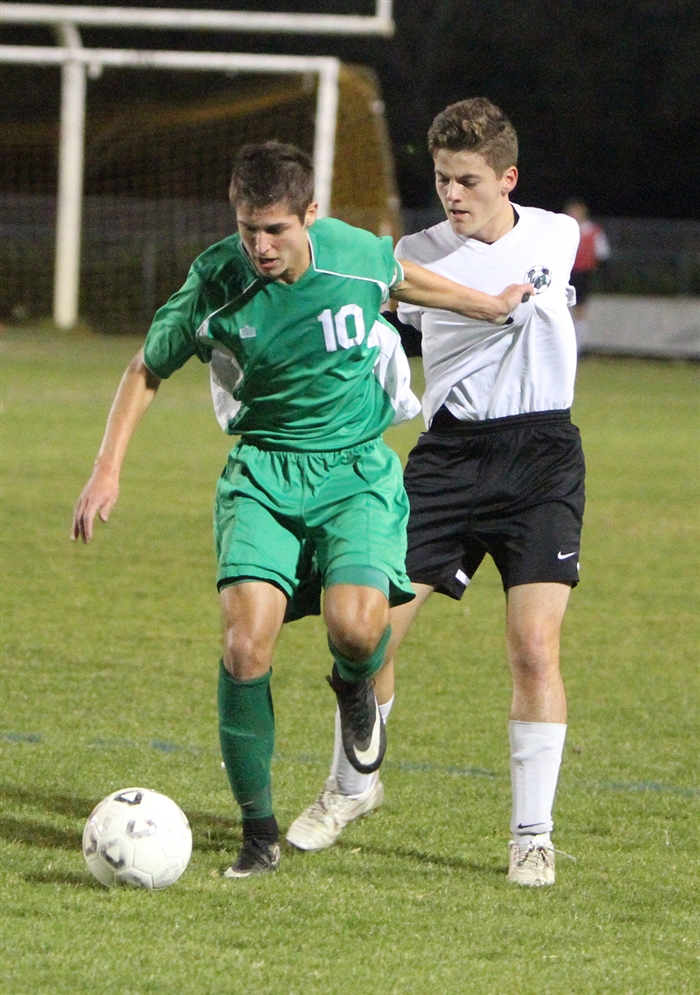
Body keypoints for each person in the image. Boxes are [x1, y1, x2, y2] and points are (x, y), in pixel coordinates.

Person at [71, 141, 531, 879]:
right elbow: (145, 366)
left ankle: (356, 688)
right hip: (262, 473)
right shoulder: (217, 279)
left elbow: (404, 278)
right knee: (245, 645)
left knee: (358, 627)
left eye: (276, 229)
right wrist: (106, 470)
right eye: (249, 227)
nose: (260, 245)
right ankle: (259, 832)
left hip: (354, 471)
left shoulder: (351, 254)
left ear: (310, 216)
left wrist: (490, 304)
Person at [287, 100, 585, 888]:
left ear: (508, 178)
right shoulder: (410, 256)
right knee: (369, 632)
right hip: (447, 458)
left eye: (469, 181)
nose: (453, 194)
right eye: (444, 180)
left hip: (542, 457)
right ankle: (354, 786)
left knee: (533, 646)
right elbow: (365, 320)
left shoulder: (558, 234)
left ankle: (532, 836)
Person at [563, 198, 611, 352]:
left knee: (580, 310)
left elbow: (602, 253)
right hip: (565, 273)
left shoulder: (593, 231)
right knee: (561, 308)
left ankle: (578, 346)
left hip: (583, 273)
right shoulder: (564, 228)